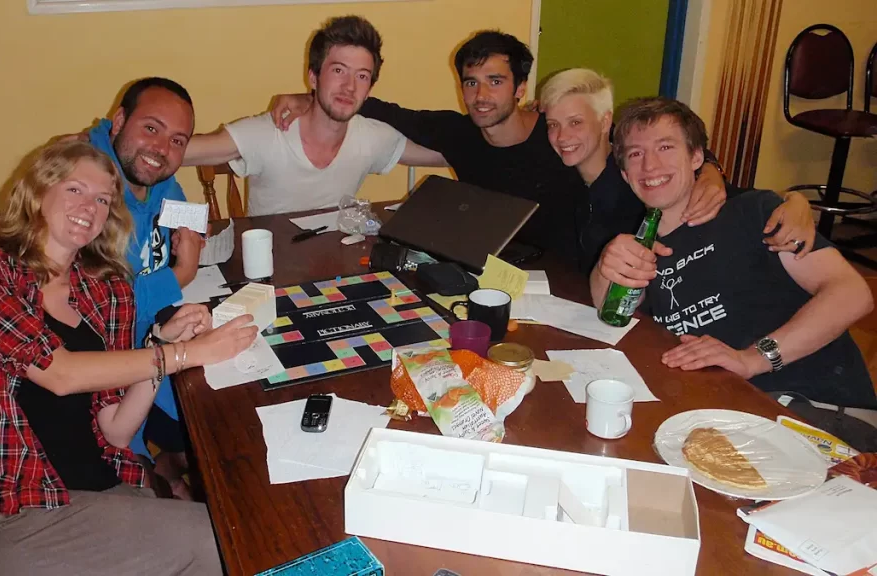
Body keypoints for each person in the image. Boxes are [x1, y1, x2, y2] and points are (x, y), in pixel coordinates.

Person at [0, 140, 258, 575]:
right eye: (75, 190)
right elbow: (58, 373)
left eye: (103, 199)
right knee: (225, 538)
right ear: (37, 192)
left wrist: (158, 348)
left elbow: (115, 430)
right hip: (11, 508)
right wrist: (183, 355)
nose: (89, 207)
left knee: (234, 521)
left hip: (96, 490)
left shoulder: (104, 293)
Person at [268, 30, 728, 268]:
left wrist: (710, 171)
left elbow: (651, 161)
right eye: (471, 82)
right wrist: (309, 98)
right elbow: (387, 109)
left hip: (589, 280)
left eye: (495, 81)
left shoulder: (564, 143)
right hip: (512, 279)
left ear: (521, 87)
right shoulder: (461, 133)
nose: (481, 96)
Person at [591, 97, 877, 413]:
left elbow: (852, 294)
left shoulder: (755, 213)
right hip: (722, 408)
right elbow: (608, 312)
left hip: (815, 405)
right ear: (624, 173)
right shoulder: (643, 248)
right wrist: (606, 264)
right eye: (635, 154)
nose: (650, 166)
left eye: (665, 147)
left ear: (697, 156)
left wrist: (752, 359)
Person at [539, 68, 816, 272]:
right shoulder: (564, 177)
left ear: (604, 121)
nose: (562, 136)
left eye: (575, 122)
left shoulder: (643, 179)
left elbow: (731, 201)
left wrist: (793, 202)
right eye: (553, 124)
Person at [179, 15, 443, 217]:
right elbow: (177, 150)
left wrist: (485, 132)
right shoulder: (271, 132)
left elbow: (451, 154)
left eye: (361, 76)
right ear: (313, 77)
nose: (350, 86)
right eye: (339, 71)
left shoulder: (372, 137)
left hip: (334, 269)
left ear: (369, 89)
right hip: (268, 275)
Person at [87, 77, 202, 495]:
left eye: (177, 140)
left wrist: (191, 240)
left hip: (153, 339)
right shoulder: (89, 191)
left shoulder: (156, 178)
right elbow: (98, 315)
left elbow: (189, 216)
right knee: (212, 424)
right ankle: (163, 472)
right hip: (106, 375)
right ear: (118, 121)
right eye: (150, 128)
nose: (161, 149)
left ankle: (172, 462)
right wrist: (180, 274)